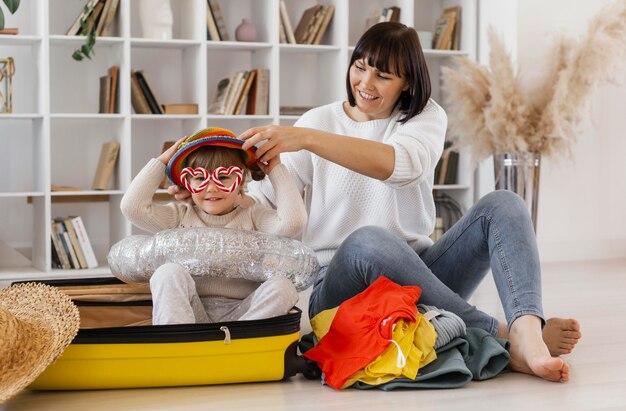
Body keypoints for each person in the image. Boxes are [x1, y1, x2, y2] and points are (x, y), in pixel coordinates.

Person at [170, 23, 581, 382]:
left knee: (504, 202)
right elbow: (262, 202)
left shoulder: (423, 118)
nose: (365, 83)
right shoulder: (318, 120)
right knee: (368, 240)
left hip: (422, 277)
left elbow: (400, 166)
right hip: (337, 286)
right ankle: (501, 334)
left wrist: (307, 139)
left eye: (383, 75)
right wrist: (210, 195)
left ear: (408, 83)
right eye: (360, 67)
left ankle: (527, 328)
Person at [121, 127, 307, 325]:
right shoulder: (180, 217)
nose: (211, 188)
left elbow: (292, 223)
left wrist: (275, 169)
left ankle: (236, 349)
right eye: (200, 178)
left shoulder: (253, 216)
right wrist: (162, 161)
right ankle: (177, 348)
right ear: (187, 183)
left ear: (240, 179)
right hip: (189, 315)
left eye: (224, 177)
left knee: (283, 286)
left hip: (244, 316)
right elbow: (133, 208)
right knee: (167, 272)